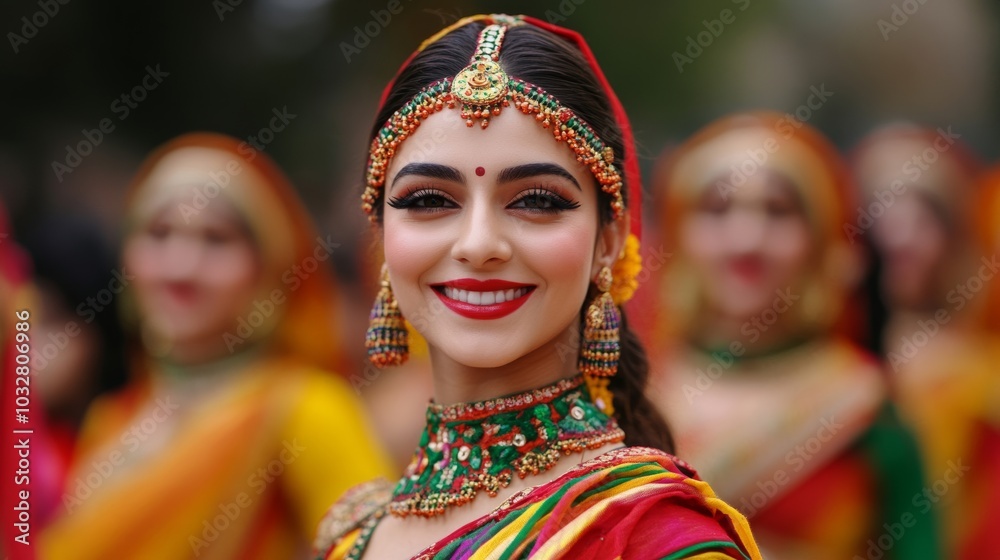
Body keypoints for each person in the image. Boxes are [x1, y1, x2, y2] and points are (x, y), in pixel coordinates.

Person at [312, 14, 761, 560]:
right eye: (428, 200)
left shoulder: (651, 538)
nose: (479, 244)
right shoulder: (350, 536)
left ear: (609, 240)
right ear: (380, 233)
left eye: (537, 200)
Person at [39, 133, 393, 560]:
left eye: (216, 239)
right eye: (159, 232)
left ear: (267, 268)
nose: (181, 266)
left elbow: (380, 551)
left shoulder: (304, 407)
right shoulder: (110, 420)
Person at [649, 112, 938, 559]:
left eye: (778, 211)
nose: (746, 239)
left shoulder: (867, 411)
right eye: (718, 209)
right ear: (678, 232)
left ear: (821, 239)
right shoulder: (626, 394)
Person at [852, 123, 998, 559]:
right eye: (879, 212)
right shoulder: (823, 367)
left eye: (925, 217)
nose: (900, 236)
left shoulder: (982, 374)